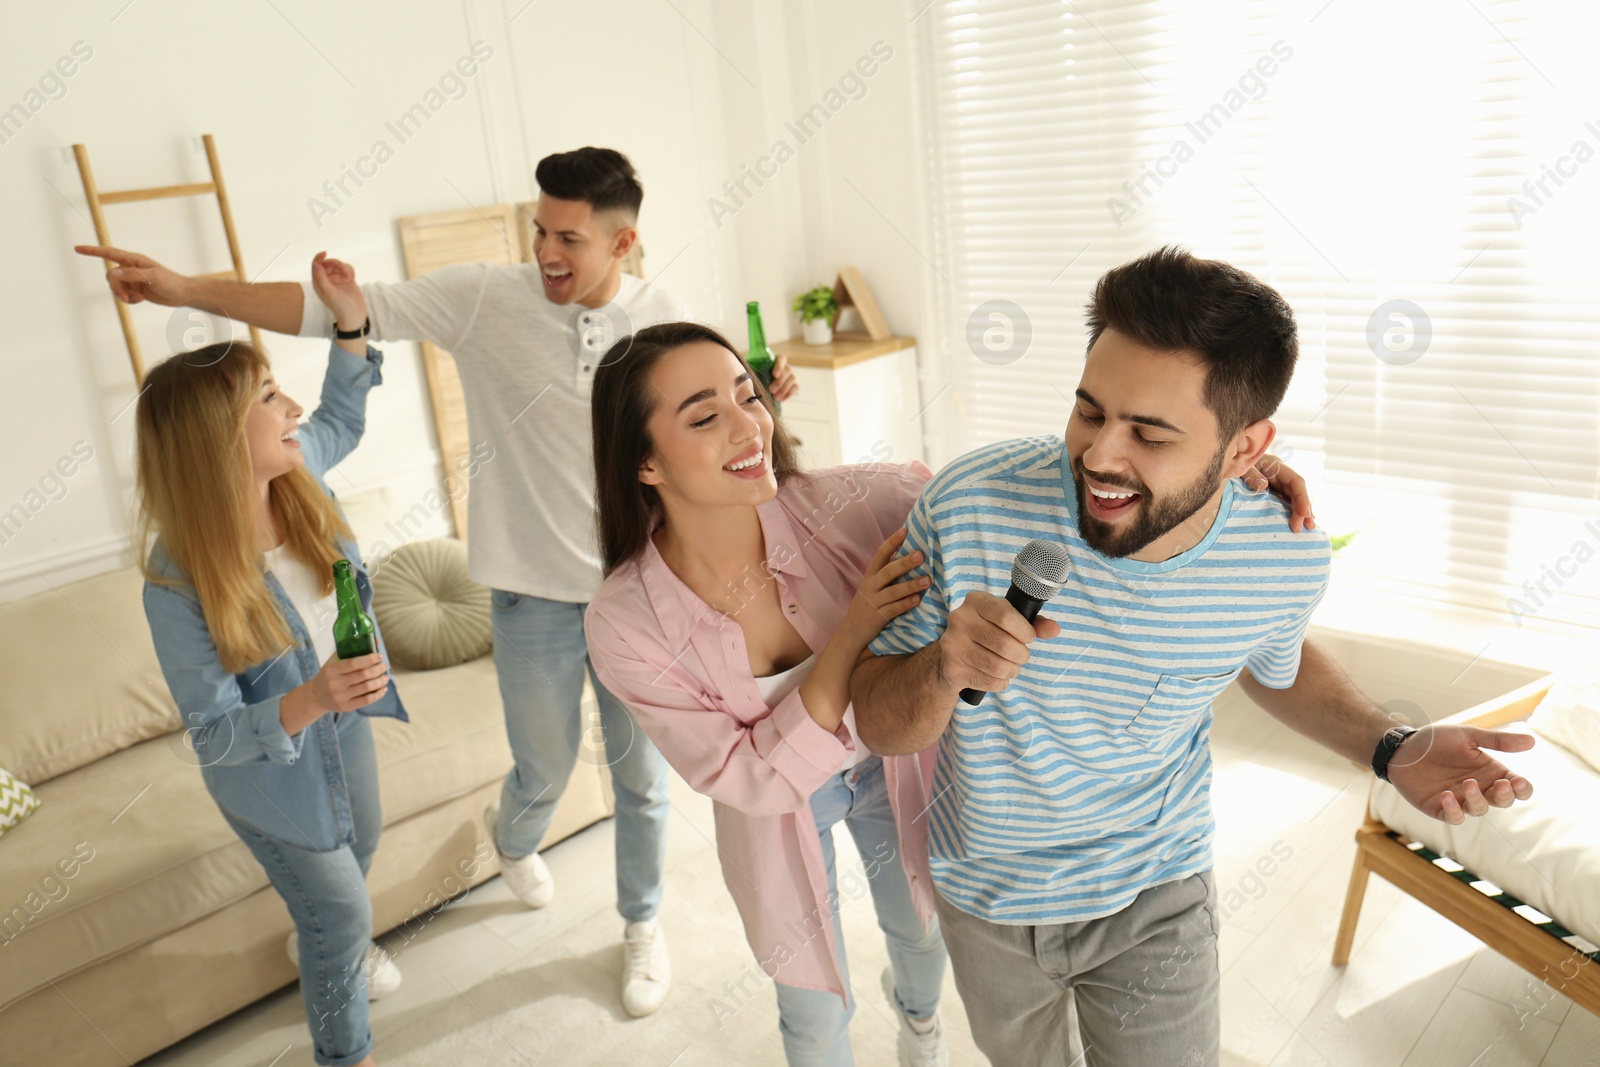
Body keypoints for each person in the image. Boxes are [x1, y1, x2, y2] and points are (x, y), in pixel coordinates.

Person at [78, 148, 795, 1015]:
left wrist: (766, 391)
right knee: (542, 767)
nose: (545, 251)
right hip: (530, 595)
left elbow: (714, 403)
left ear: (623, 242)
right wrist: (185, 289)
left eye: (567, 236)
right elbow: (327, 311)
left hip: (638, 588)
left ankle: (641, 923)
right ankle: (514, 837)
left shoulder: (665, 315)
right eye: (539, 230)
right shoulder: (485, 297)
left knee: (642, 779)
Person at [849, 246, 1538, 1067]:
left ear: (1247, 449)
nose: (1101, 454)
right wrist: (941, 668)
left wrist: (1393, 747)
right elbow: (880, 723)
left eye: (1150, 432)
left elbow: (1272, 669)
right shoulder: (968, 505)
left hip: (1156, 889)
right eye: (1089, 411)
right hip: (986, 891)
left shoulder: (1281, 557)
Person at [582, 321, 950, 1067]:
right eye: (705, 415)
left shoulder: (850, 503)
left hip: (891, 760)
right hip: (776, 810)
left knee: (921, 929)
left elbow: (993, 493)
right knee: (813, 1010)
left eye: (748, 395)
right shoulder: (624, 621)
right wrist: (850, 634)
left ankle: (922, 1029)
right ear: (646, 462)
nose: (751, 423)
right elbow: (744, 775)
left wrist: (1214, 479)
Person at [140, 254, 401, 1067]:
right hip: (268, 773)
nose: (292, 409)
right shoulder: (175, 576)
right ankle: (343, 1051)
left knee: (353, 872)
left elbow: (343, 413)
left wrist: (349, 320)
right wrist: (314, 697)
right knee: (346, 916)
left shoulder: (297, 475)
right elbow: (214, 735)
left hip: (348, 728)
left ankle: (323, 939)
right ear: (220, 436)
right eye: (268, 399)